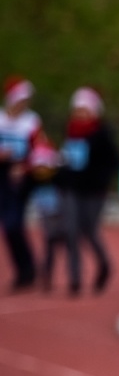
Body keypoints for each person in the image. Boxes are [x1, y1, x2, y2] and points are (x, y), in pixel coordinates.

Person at [56, 88, 119, 296]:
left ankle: (104, 263)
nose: (81, 113)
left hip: (93, 191)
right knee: (71, 231)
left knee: (89, 231)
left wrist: (100, 179)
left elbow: (113, 162)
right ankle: (74, 278)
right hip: (71, 188)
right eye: (78, 109)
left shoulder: (102, 133)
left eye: (85, 109)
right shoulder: (70, 130)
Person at [0, 76, 41, 292]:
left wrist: (23, 166)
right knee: (8, 225)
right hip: (2, 175)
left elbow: (39, 150)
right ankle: (23, 269)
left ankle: (28, 268)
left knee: (14, 223)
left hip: (21, 178)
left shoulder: (31, 121)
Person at [29, 138, 67, 292]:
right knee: (49, 243)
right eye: (38, 167)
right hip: (46, 217)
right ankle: (47, 275)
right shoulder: (33, 180)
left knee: (64, 241)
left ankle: (72, 274)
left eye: (44, 166)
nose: (41, 170)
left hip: (60, 216)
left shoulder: (59, 179)